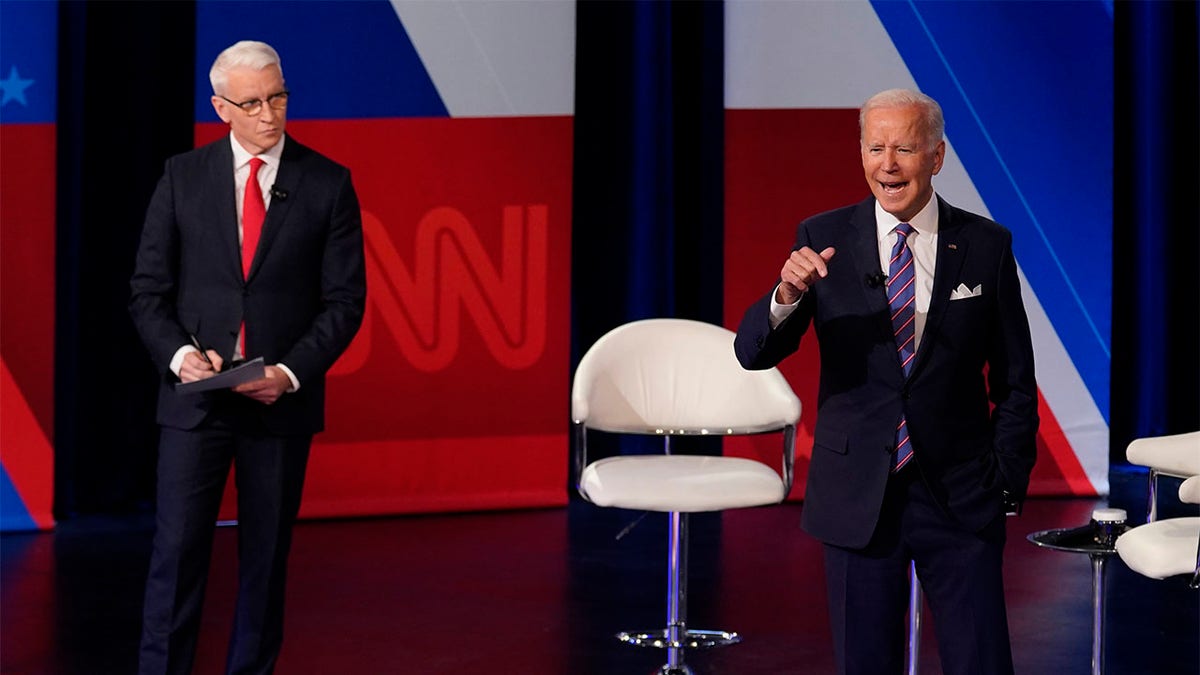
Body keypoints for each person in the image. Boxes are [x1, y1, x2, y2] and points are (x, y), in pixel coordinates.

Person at [734, 88, 1038, 675]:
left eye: (904, 148)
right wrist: (786, 296)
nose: (888, 164)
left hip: (960, 492)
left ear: (937, 156)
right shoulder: (822, 237)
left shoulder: (985, 246)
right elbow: (753, 352)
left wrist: (1004, 480)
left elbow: (1016, 381)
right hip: (857, 494)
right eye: (876, 148)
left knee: (980, 660)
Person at [129, 40, 366, 675]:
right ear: (221, 108)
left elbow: (344, 304)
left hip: (278, 407)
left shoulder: (327, 184)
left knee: (265, 562)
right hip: (195, 403)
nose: (269, 114)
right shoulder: (183, 177)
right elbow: (147, 292)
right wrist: (182, 358)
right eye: (252, 102)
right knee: (176, 557)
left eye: (279, 97)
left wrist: (287, 373)